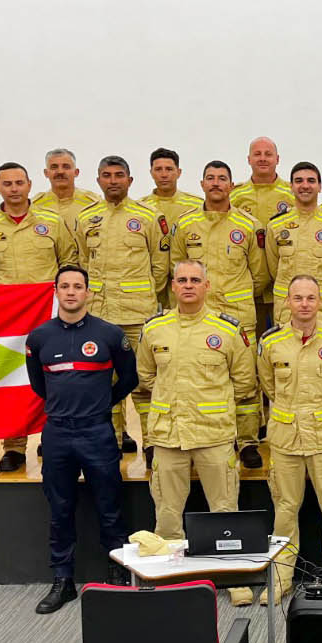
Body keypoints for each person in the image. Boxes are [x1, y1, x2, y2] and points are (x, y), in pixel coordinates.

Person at [137, 260, 258, 604]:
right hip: (169, 435)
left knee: (225, 512)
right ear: (173, 286)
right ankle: (171, 581)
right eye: (182, 280)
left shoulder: (227, 330)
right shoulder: (154, 329)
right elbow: (146, 376)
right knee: (167, 515)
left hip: (214, 435)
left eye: (195, 280)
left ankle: (233, 580)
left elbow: (244, 381)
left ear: (207, 286)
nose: (188, 285)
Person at [25, 266, 137, 613]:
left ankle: (118, 572)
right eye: (65, 286)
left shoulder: (109, 334)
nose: (71, 292)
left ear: (88, 292)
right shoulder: (39, 338)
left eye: (78, 286)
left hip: (97, 432)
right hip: (57, 433)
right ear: (56, 291)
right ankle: (63, 580)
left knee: (109, 506)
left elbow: (129, 379)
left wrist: (102, 404)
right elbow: (38, 385)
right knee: (60, 509)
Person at [0, 161, 80, 472]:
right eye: (7, 184)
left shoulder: (52, 222)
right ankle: (14, 447)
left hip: (46, 315)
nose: (14, 189)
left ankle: (53, 439)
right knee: (12, 382)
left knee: (56, 377)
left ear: (30, 185)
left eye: (19, 183)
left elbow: (69, 262)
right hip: (6, 321)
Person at [258, 275, 322, 604]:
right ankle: (281, 578)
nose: (304, 304)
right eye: (297, 297)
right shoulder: (271, 341)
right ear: (287, 301)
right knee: (285, 511)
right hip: (286, 438)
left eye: (310, 298)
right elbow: (268, 385)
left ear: (320, 301)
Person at [169, 160, 270, 467]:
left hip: (239, 316)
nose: (216, 183)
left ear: (231, 186)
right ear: (202, 184)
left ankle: (248, 441)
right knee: (202, 375)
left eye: (222, 178)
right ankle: (206, 436)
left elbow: (260, 273)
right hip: (199, 317)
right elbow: (177, 268)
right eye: (210, 178)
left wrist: (236, 296)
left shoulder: (249, 225)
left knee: (246, 380)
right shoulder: (186, 225)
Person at [77, 156, 170, 464]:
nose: (113, 180)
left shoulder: (148, 216)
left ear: (130, 180)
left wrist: (141, 293)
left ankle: (153, 443)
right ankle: (111, 442)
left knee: (145, 382)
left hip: (138, 315)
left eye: (119, 175)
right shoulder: (86, 218)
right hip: (100, 316)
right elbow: (82, 263)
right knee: (105, 383)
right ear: (98, 180)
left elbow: (160, 266)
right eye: (107, 175)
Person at [264, 162, 322, 327]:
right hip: (287, 312)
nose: (305, 185)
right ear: (291, 187)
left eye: (311, 181)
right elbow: (273, 268)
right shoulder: (275, 225)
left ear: (320, 187)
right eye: (299, 181)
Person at [230, 136, 294, 333]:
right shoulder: (235, 195)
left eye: (268, 154)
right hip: (248, 286)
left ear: (277, 159)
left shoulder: (292, 193)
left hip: (285, 285)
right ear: (249, 159)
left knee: (284, 339)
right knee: (249, 339)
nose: (263, 158)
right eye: (257, 154)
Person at [141, 147, 203, 309]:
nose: (164, 174)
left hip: (188, 282)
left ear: (179, 172)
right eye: (158, 169)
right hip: (153, 283)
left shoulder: (196, 205)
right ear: (151, 172)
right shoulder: (142, 208)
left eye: (169, 169)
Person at [31, 147, 102, 229]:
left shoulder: (94, 203)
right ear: (46, 173)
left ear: (76, 172)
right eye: (54, 167)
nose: (60, 172)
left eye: (66, 167)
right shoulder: (34, 206)